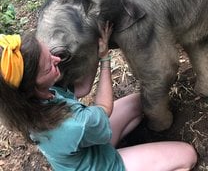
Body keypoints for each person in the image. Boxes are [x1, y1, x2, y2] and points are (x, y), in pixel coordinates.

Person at [0, 22, 197, 171]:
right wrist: (105, 59)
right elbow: (103, 108)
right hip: (102, 166)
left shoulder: (29, 100)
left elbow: (83, 88)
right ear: (32, 84)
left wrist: (96, 49)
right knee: (187, 156)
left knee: (140, 103)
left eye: (50, 53)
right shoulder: (72, 125)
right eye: (49, 66)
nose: (57, 59)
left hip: (86, 148)